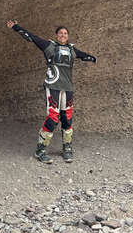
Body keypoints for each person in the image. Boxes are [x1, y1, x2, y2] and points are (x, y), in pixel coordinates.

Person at [6, 20, 96, 164]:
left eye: (65, 33)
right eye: (60, 33)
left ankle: (67, 148)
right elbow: (32, 37)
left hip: (68, 88)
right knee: (53, 117)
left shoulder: (72, 50)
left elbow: (83, 55)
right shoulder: (49, 46)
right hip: (53, 86)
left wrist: (93, 58)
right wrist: (16, 27)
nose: (63, 35)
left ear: (68, 36)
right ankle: (40, 150)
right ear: (56, 35)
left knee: (67, 117)